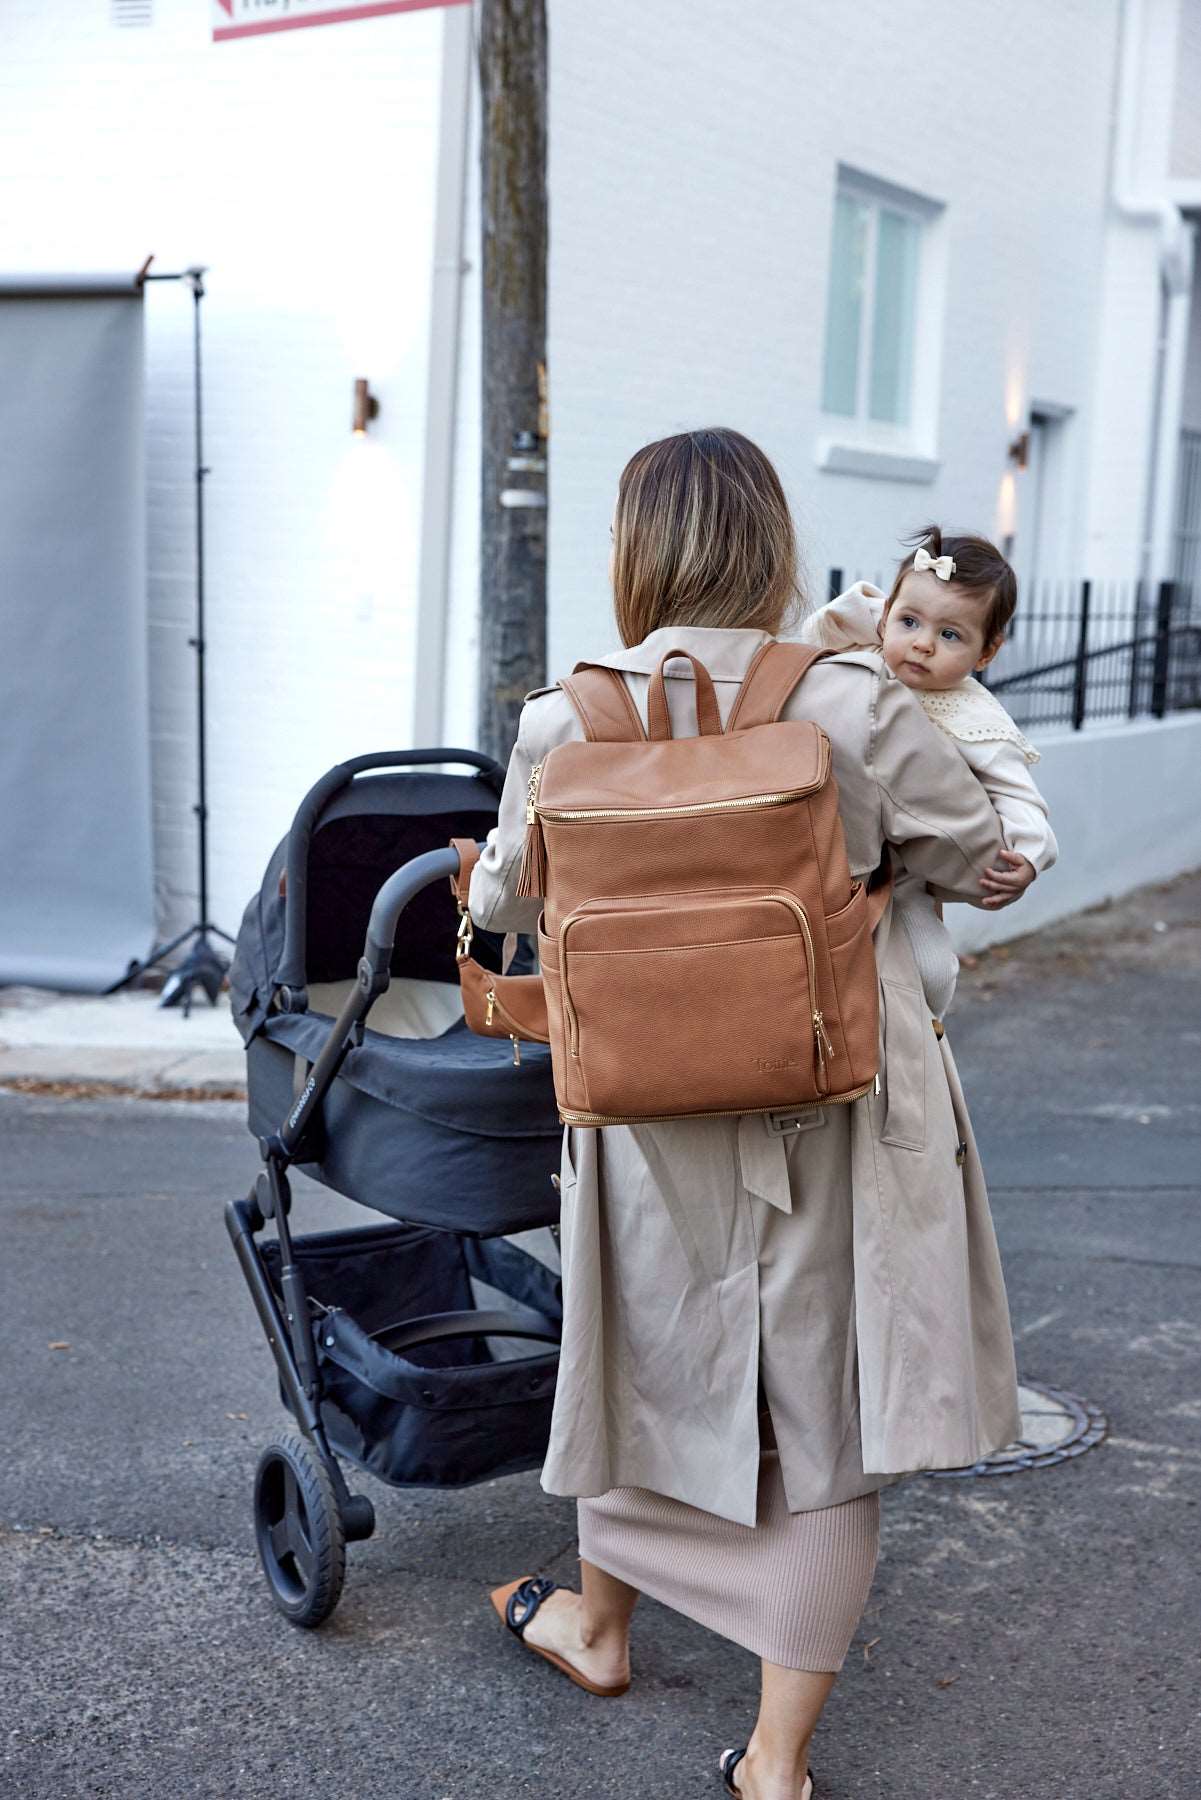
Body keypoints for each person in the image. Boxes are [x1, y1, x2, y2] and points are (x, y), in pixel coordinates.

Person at [469, 428, 1021, 1800]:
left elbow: (500, 906)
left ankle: (599, 1628)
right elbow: (973, 845)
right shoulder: (845, 701)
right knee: (822, 1407)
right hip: (831, 1093)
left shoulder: (565, 720)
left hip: (646, 1112)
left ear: (633, 551)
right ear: (773, 549)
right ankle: (774, 1760)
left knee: (640, 1357)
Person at [799, 528, 1058, 1019]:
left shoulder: (975, 717)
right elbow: (822, 627)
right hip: (829, 846)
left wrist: (1028, 856)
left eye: (950, 635)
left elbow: (1018, 794)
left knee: (932, 970)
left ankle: (923, 1037)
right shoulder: (866, 659)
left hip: (905, 873)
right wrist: (887, 614)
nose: (921, 645)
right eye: (910, 621)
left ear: (987, 653)